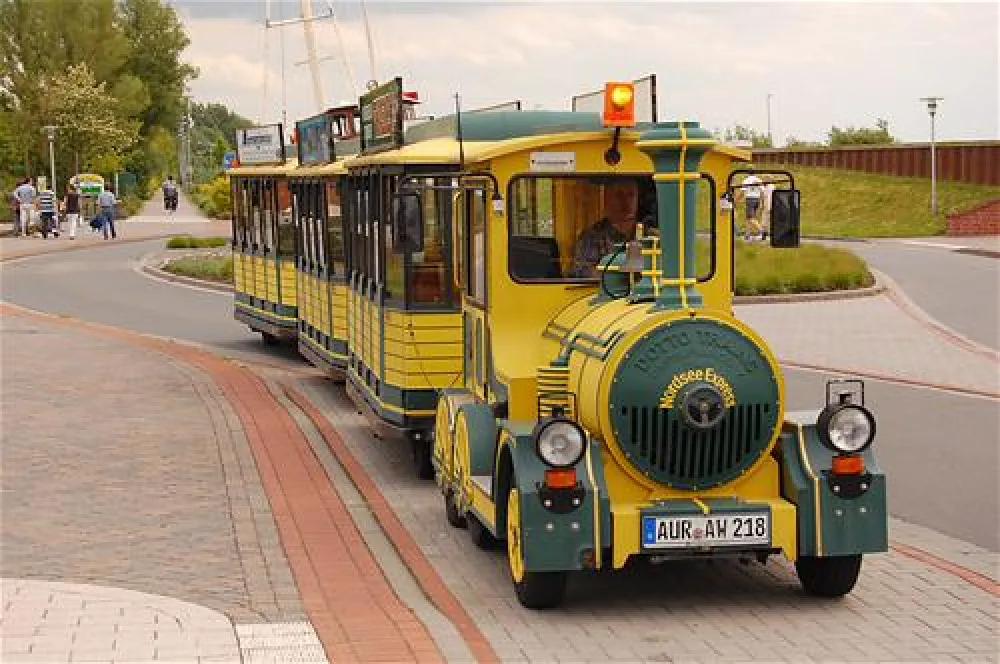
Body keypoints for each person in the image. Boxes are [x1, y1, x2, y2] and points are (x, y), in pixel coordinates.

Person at [570, 181, 640, 278]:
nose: (626, 202)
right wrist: (614, 279)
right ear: (606, 199)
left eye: (631, 195)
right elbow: (580, 270)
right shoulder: (592, 236)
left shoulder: (650, 234)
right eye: (619, 195)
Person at [740, 173, 764, 241]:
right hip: (757, 199)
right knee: (748, 218)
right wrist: (761, 201)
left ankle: (761, 230)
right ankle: (747, 234)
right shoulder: (759, 180)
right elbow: (762, 191)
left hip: (750, 199)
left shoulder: (746, 180)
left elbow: (742, 191)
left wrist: (736, 200)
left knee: (750, 218)